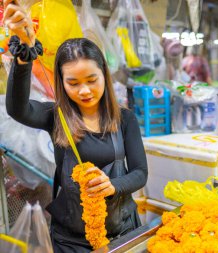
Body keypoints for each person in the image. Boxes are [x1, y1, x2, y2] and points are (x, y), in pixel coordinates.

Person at [4, 1, 148, 252]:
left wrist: (114, 185)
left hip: (121, 230)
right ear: (62, 83)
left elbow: (140, 172)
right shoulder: (55, 115)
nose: (84, 90)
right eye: (73, 83)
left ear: (104, 74)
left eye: (92, 80)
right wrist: (24, 54)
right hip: (71, 239)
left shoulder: (125, 119)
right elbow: (18, 109)